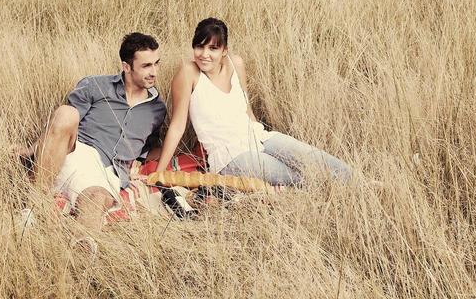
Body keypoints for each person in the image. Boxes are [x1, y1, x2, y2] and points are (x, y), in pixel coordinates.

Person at [149, 17, 353, 186]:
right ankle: (333, 190)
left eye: (213, 48)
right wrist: (159, 172)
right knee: (295, 178)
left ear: (224, 51)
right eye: (199, 47)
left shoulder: (235, 63)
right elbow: (177, 126)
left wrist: (261, 134)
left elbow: (246, 108)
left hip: (258, 137)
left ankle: (363, 185)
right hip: (230, 156)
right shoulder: (188, 72)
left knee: (314, 157)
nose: (204, 55)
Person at [18, 32, 167, 229]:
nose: (154, 71)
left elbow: (147, 148)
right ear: (126, 67)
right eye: (146, 66)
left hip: (108, 174)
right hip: (76, 154)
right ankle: (34, 205)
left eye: (157, 63)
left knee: (96, 199)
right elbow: (60, 126)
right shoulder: (95, 85)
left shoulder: (157, 109)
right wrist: (31, 150)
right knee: (66, 112)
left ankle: (82, 249)